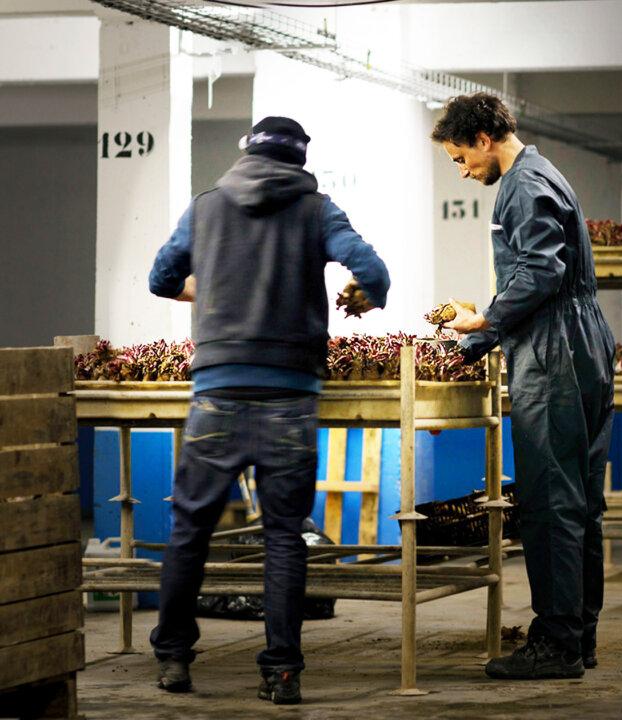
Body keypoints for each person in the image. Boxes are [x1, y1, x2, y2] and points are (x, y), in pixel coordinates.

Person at [146, 116, 389, 704]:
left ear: (246, 153)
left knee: (189, 532)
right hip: (291, 398)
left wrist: (213, 293)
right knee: (283, 537)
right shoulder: (317, 209)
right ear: (300, 161)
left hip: (217, 394)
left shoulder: (205, 207)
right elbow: (374, 272)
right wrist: (366, 295)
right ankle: (282, 673)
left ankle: (175, 659)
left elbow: (161, 278)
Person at [431, 93, 616, 680]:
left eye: (461, 158)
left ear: (484, 139)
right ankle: (579, 637)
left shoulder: (523, 184)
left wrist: (481, 324)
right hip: (581, 342)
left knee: (550, 501)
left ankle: (556, 645)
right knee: (582, 503)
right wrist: (483, 333)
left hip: (554, 351)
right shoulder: (542, 175)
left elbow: (539, 272)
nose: (463, 171)